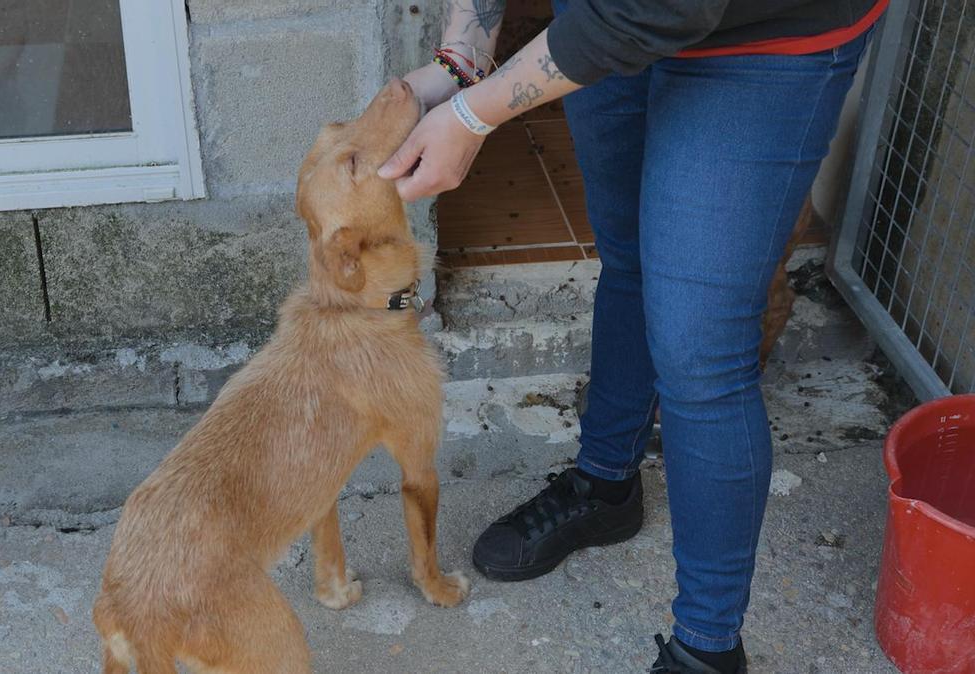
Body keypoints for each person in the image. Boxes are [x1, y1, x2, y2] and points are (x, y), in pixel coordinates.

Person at [379, 1, 887, 672]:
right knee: (632, 259)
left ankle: (706, 652)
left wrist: (474, 114)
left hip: (764, 40)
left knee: (702, 355)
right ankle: (606, 488)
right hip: (607, 19)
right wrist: (461, 57)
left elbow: (660, 9)